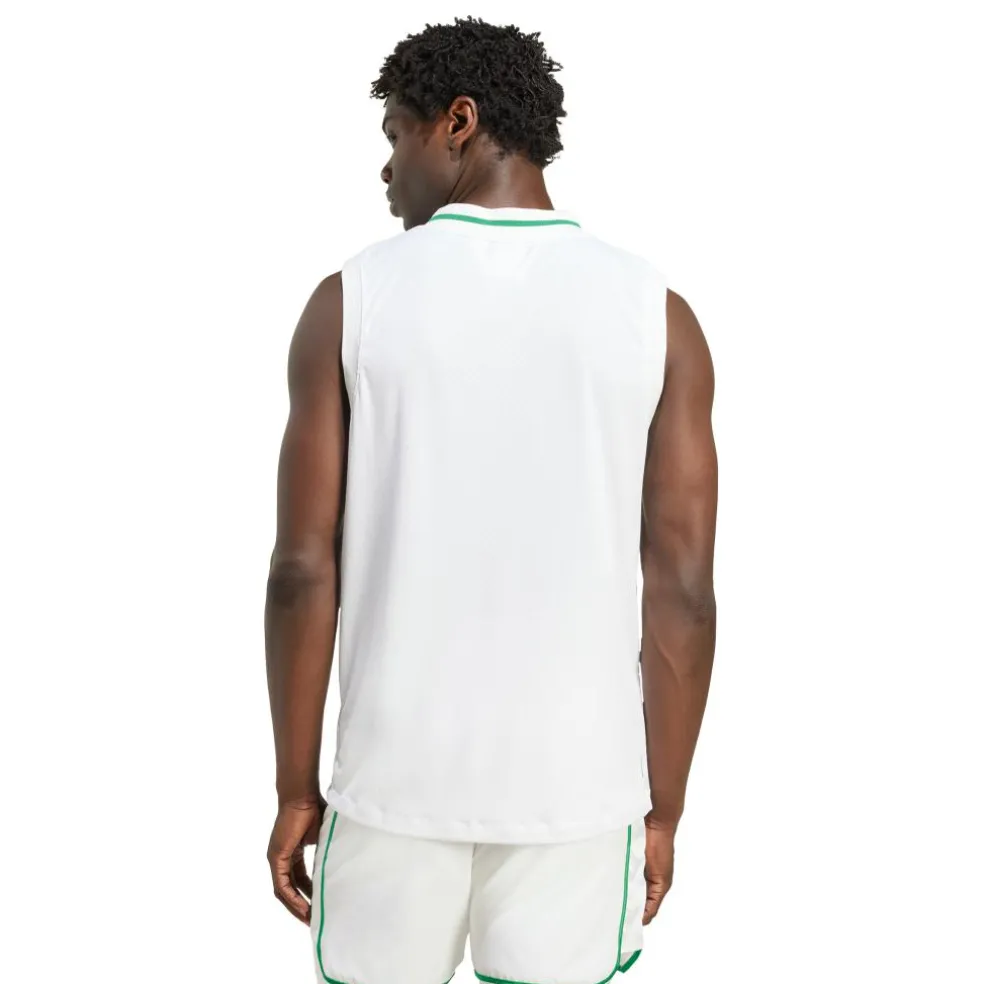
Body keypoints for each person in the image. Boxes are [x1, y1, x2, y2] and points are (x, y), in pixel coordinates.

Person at [265, 15, 717, 984]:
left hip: (391, 788)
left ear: (458, 122)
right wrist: (664, 806)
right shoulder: (656, 315)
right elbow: (681, 588)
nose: (387, 168)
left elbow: (303, 569)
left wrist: (296, 788)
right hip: (580, 795)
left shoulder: (352, 302)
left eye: (396, 135)